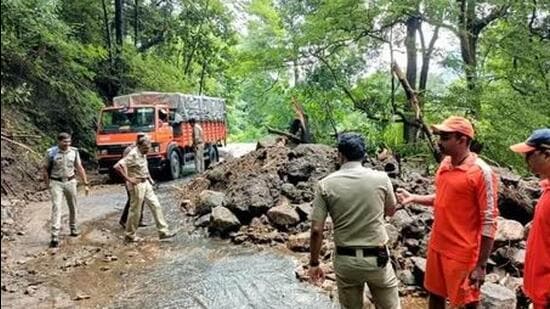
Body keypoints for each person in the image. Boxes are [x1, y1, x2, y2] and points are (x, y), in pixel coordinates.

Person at [396, 116, 499, 309]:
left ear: (462, 140)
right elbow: (444, 199)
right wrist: (413, 197)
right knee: (435, 295)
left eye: (445, 137)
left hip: (463, 252)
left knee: (465, 303)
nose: (439, 142)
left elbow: (489, 220)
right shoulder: (445, 165)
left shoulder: (481, 173)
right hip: (437, 246)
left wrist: (481, 265)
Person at [309, 133, 401, 309]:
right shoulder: (382, 178)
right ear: (363, 155)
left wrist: (314, 263)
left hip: (346, 260)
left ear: (340, 155)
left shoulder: (325, 184)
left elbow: (315, 230)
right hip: (377, 258)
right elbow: (390, 210)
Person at [509, 128, 550, 309]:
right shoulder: (546, 188)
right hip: (539, 292)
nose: (526, 160)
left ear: (547, 154)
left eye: (530, 154)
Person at [113, 136, 176, 242]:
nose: (148, 150)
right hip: (136, 185)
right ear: (139, 146)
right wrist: (129, 180)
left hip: (145, 183)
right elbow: (117, 166)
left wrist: (149, 179)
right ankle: (130, 235)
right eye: (146, 148)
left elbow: (144, 167)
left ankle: (163, 232)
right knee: (135, 211)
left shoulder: (143, 154)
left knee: (156, 205)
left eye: (149, 148)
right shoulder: (132, 154)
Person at [42, 132, 90, 248]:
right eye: (64, 142)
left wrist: (85, 183)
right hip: (56, 182)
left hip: (70, 181)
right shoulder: (51, 153)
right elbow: (45, 169)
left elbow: (79, 167)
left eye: (69, 141)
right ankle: (54, 235)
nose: (67, 144)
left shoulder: (74, 152)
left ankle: (73, 228)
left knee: (73, 205)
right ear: (59, 141)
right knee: (56, 207)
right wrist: (48, 185)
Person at [119, 133, 147, 228]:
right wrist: (128, 179)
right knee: (132, 200)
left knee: (141, 198)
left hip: (140, 178)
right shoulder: (130, 150)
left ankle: (139, 219)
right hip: (131, 179)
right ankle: (124, 220)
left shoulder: (142, 150)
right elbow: (123, 165)